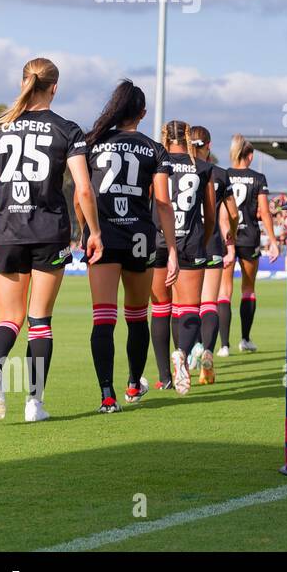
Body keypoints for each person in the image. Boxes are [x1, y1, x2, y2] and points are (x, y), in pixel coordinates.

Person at [0, 57, 102, 422]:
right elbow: (84, 190)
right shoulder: (67, 130)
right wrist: (95, 232)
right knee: (39, 320)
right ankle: (33, 404)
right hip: (48, 232)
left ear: (24, 81)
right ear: (54, 88)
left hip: (6, 232)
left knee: (8, 318)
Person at [80, 80, 179, 412]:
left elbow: (83, 196)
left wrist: (86, 230)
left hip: (104, 236)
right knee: (137, 317)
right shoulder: (154, 149)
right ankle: (134, 386)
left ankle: (107, 395)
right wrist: (174, 251)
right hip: (140, 238)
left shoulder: (92, 144)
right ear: (143, 113)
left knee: (103, 318)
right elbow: (163, 204)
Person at [149, 121, 216, 395]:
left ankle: (164, 376)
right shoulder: (203, 168)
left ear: (164, 138)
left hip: (158, 240)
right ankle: (182, 354)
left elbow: (151, 201)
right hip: (190, 240)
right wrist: (202, 236)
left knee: (161, 308)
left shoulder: (156, 162)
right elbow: (210, 214)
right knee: (189, 308)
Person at [188, 125, 239, 382]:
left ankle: (192, 350)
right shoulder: (219, 173)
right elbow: (233, 212)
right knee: (211, 302)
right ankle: (208, 350)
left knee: (187, 305)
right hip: (213, 243)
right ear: (208, 145)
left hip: (187, 242)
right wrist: (232, 235)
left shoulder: (178, 169)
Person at [226, 135, 278, 353]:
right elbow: (265, 211)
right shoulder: (258, 177)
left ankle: (223, 345)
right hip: (249, 237)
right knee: (248, 288)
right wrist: (273, 240)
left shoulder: (224, 174)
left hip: (226, 237)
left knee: (223, 291)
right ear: (250, 156)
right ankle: (245, 339)